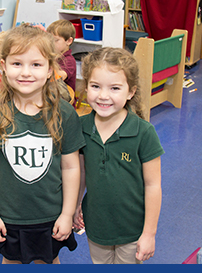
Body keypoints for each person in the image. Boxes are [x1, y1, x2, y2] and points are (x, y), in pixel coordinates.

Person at [0, 24, 85, 264]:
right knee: (10, 262)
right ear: (3, 66)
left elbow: (71, 167)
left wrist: (67, 213)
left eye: (36, 64)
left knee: (49, 261)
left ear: (50, 69)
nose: (26, 72)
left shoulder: (64, 113)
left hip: (50, 214)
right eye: (17, 63)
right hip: (10, 215)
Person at [73, 47, 164, 264]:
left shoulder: (143, 132)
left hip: (132, 229)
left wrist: (149, 234)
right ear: (86, 88)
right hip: (96, 224)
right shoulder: (82, 126)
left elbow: (153, 185)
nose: (103, 96)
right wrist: (76, 204)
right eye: (95, 86)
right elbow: (82, 171)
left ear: (130, 92)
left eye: (115, 88)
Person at [47, 19, 76, 92]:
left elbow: (59, 76)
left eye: (56, 40)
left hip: (64, 100)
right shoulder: (53, 55)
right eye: (49, 40)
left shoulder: (69, 60)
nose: (51, 43)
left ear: (69, 41)